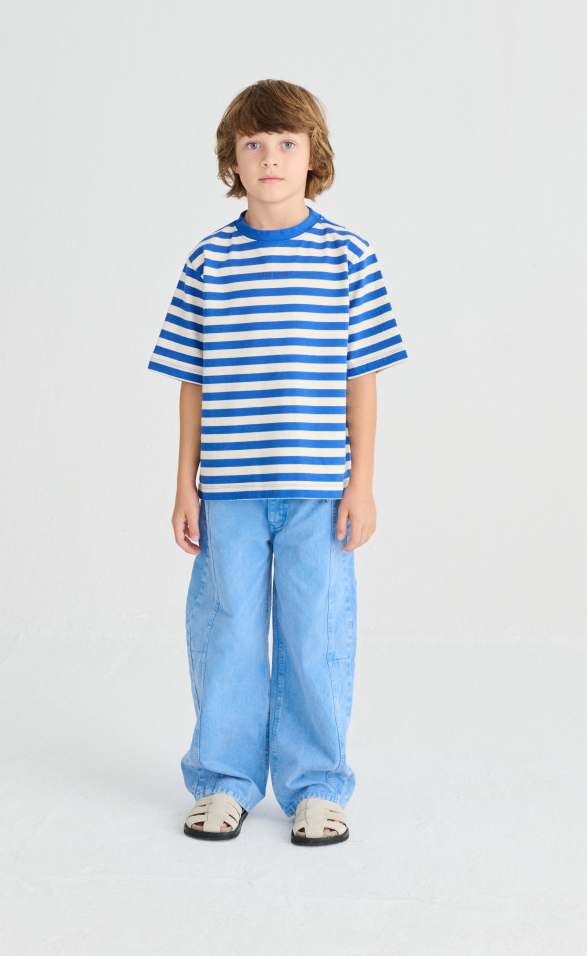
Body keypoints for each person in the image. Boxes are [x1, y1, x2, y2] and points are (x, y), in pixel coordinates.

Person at [146, 79, 409, 846]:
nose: (270, 158)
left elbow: (362, 376)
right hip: (228, 489)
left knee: (315, 634)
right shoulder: (209, 262)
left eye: (287, 144)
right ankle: (223, 780)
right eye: (254, 143)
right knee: (227, 630)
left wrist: (362, 482)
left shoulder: (348, 257)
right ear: (231, 158)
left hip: (318, 489)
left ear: (313, 156)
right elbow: (192, 381)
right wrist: (185, 486)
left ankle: (317, 784)